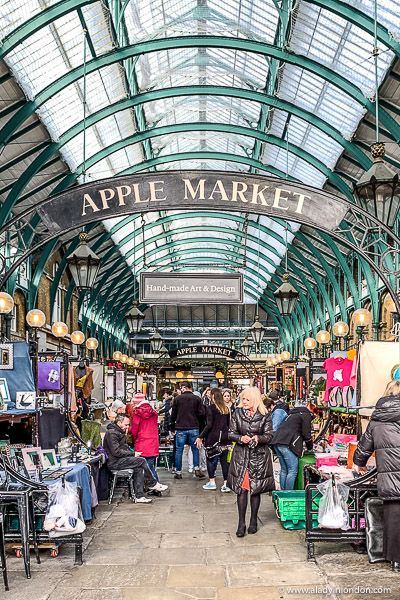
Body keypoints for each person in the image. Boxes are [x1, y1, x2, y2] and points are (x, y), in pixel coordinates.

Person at [353, 380, 400, 572]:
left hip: (389, 480)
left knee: (394, 518)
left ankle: (396, 560)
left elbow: (363, 448)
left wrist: (359, 464)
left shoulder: (377, 419)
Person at [228, 386, 275, 537]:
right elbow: (231, 433)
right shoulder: (237, 413)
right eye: (243, 399)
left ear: (255, 399)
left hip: (259, 457)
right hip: (241, 456)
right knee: (242, 489)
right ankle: (241, 523)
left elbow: (269, 435)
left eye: (247, 399)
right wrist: (240, 438)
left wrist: (257, 438)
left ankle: (253, 520)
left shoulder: (265, 415)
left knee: (256, 489)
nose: (244, 402)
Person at [103, 413, 168, 503]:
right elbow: (116, 452)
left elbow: (121, 449)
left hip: (118, 460)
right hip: (114, 462)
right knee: (141, 460)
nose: (127, 427)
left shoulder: (118, 432)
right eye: (126, 424)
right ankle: (152, 483)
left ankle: (139, 496)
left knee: (139, 467)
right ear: (119, 422)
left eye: (128, 424)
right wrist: (133, 454)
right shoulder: (112, 433)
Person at [271, 399, 314, 490]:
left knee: (284, 470)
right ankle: (288, 495)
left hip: (277, 442)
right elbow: (307, 434)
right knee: (292, 471)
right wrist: (310, 446)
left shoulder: (292, 414)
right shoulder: (305, 415)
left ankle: (282, 495)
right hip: (288, 443)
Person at [196, 388, 231, 493]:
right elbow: (229, 425)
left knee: (211, 460)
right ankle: (226, 484)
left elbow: (209, 425)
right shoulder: (226, 409)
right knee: (225, 462)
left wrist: (200, 436)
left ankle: (212, 482)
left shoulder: (210, 408)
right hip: (225, 438)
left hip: (213, 438)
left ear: (212, 396)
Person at [170, 380, 206, 479]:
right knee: (195, 449)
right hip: (194, 427)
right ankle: (196, 468)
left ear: (183, 388)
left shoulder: (177, 399)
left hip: (180, 428)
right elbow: (202, 414)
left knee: (179, 451)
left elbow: (173, 415)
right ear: (191, 388)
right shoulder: (197, 399)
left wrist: (172, 427)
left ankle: (178, 472)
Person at [131, 392, 166, 486]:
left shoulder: (137, 413)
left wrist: (134, 439)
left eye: (134, 403)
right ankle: (155, 484)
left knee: (142, 467)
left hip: (141, 442)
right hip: (153, 442)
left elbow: (134, 430)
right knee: (151, 466)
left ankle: (151, 485)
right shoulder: (153, 412)